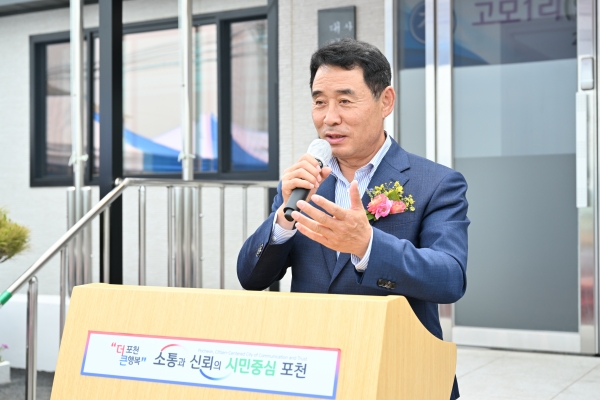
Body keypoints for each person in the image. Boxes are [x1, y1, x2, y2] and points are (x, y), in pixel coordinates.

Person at [237, 38, 468, 399]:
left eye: (345, 101)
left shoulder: (436, 183)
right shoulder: (302, 184)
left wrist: (368, 246)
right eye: (319, 102)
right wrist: (282, 222)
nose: (330, 117)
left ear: (385, 101)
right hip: (313, 372)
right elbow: (251, 278)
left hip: (398, 371)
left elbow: (450, 278)